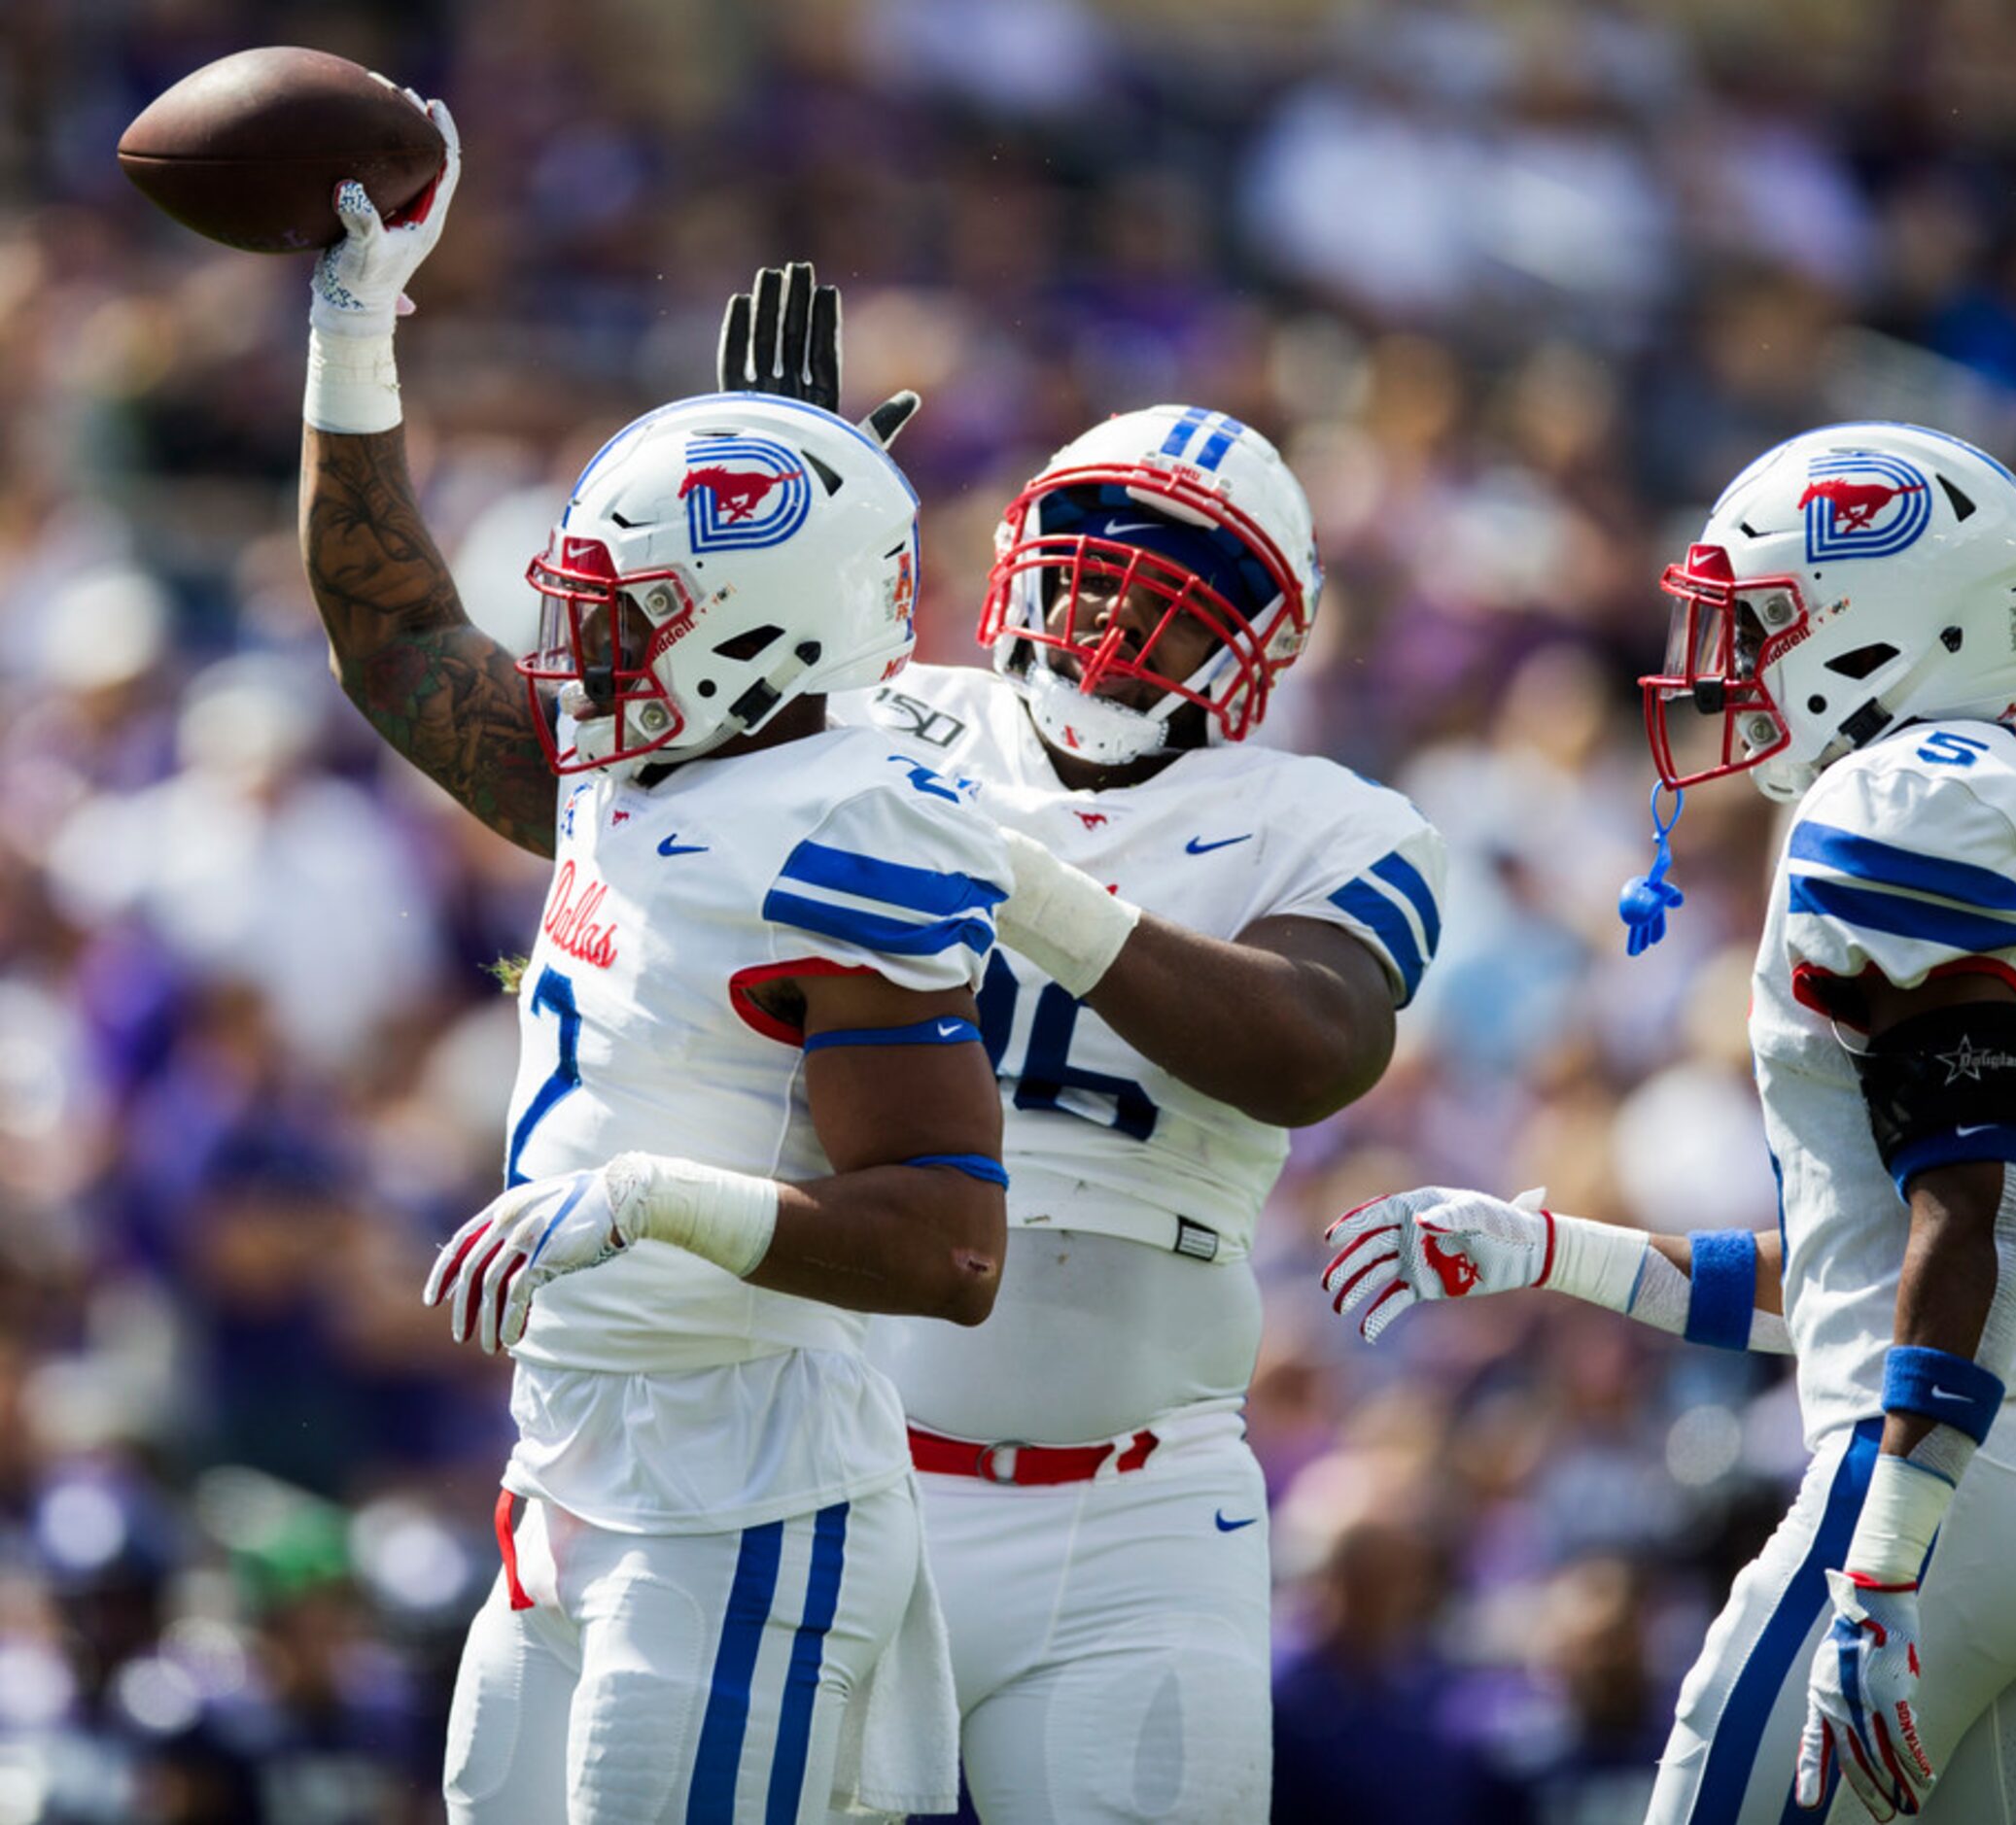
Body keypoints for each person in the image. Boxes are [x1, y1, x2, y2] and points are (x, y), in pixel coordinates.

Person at [1323, 423, 2016, 1822]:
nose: (1732, 659)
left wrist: (1886, 1556)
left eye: (1766, 620)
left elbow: (1974, 1212)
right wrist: (1543, 1246)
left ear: (1888, 624)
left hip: (1940, 1475)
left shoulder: (1905, 799)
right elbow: (1875, 1278)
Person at [297, 110, 1010, 1823]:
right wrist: (353, 325)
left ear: (765, 637)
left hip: (747, 1489)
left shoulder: (848, 824)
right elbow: (389, 630)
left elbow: (953, 1239)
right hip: (571, 1461)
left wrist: (656, 1200)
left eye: (628, 614)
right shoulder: (634, 768)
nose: (578, 644)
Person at [718, 266, 1447, 1820]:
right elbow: (646, 779)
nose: (1126, 592)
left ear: (1270, 636)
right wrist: (774, 531)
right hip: (837, 1463)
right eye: (1102, 548)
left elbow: (1310, 1045)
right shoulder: (874, 719)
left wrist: (1015, 875)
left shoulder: (1326, 822)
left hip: (1142, 1515)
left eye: (1186, 566)